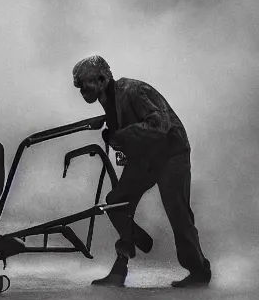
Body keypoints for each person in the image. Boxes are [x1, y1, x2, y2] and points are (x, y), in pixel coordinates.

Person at [72, 55, 212, 288]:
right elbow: (126, 137)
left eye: (84, 83)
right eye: (78, 85)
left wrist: (121, 136)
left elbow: (160, 125)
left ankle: (198, 271)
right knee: (116, 203)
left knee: (178, 214)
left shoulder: (133, 91)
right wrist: (115, 138)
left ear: (101, 79)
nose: (80, 89)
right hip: (144, 159)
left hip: (171, 155)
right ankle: (120, 269)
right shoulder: (109, 101)